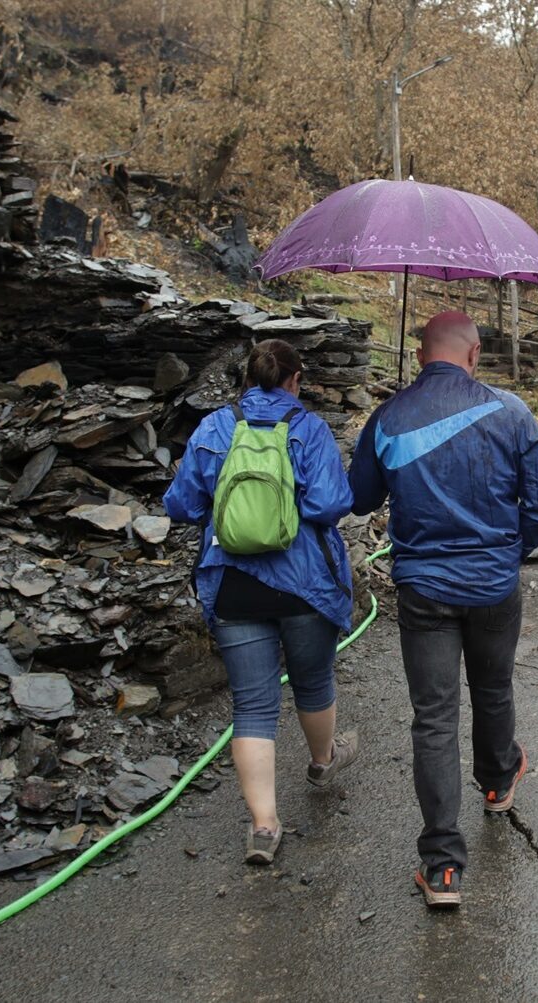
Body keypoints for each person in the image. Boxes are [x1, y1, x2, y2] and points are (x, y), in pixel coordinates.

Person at [348, 310, 538, 909]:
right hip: (494, 588)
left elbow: (361, 498)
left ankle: (442, 868)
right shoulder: (513, 413)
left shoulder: (387, 419)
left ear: (418, 357)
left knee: (434, 719)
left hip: (424, 592)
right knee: (493, 690)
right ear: (474, 356)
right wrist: (506, 552)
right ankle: (497, 784)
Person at [163, 339, 361, 865]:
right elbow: (331, 503)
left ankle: (265, 828)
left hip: (233, 582)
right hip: (306, 585)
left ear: (245, 379)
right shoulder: (311, 429)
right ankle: (322, 760)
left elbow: (181, 505)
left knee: (252, 705)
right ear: (296, 379)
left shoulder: (213, 428)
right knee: (313, 681)